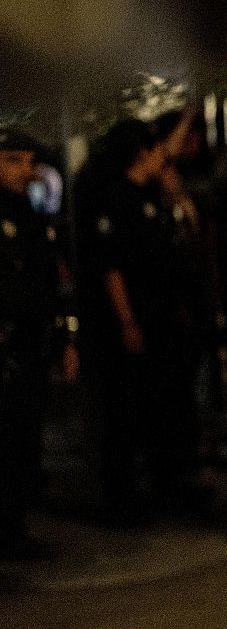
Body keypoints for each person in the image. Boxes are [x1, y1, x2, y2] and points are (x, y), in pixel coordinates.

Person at [77, 118, 206, 519]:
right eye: (154, 151)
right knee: (128, 411)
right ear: (139, 153)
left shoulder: (152, 196)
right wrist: (128, 321)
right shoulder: (118, 199)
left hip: (163, 316)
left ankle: (171, 485)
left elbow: (183, 240)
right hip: (137, 320)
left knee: (167, 405)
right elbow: (112, 267)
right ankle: (124, 499)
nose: (162, 158)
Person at [0, 128, 61, 557]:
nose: (23, 170)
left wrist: (63, 338)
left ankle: (14, 527)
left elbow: (48, 283)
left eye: (27, 162)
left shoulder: (31, 213)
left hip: (31, 342)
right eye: (12, 160)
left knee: (24, 438)